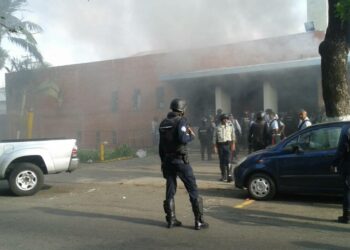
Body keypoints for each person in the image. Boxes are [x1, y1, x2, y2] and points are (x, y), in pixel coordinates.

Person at [158, 98, 209, 230]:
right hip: (181, 161)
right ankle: (199, 221)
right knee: (192, 189)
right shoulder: (181, 120)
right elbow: (182, 138)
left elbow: (161, 146)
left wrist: (163, 161)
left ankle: (171, 220)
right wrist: (191, 136)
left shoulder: (163, 123)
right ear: (182, 110)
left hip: (168, 161)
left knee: (170, 190)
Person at [333, 128, 350, 224]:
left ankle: (346, 216)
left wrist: (334, 163)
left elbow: (340, 151)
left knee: (347, 191)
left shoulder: (346, 131)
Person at [213, 113, 235, 182]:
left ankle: (229, 175)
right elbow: (214, 138)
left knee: (228, 161)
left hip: (228, 145)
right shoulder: (217, 127)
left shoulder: (230, 126)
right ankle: (223, 176)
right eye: (224, 119)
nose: (226, 120)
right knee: (222, 161)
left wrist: (233, 144)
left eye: (226, 119)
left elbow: (233, 135)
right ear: (221, 120)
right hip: (220, 146)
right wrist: (215, 147)